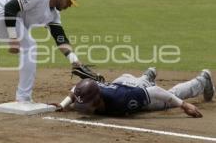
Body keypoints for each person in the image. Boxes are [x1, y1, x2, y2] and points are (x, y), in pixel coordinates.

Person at [54, 68, 215, 118]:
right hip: (121, 81)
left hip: (131, 87)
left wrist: (184, 105)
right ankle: (147, 75)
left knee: (170, 96)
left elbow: (156, 91)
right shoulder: (89, 90)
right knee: (141, 86)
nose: (82, 107)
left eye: (87, 104)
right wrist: (63, 104)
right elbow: (76, 89)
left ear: (97, 100)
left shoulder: (122, 99)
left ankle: (202, 80)